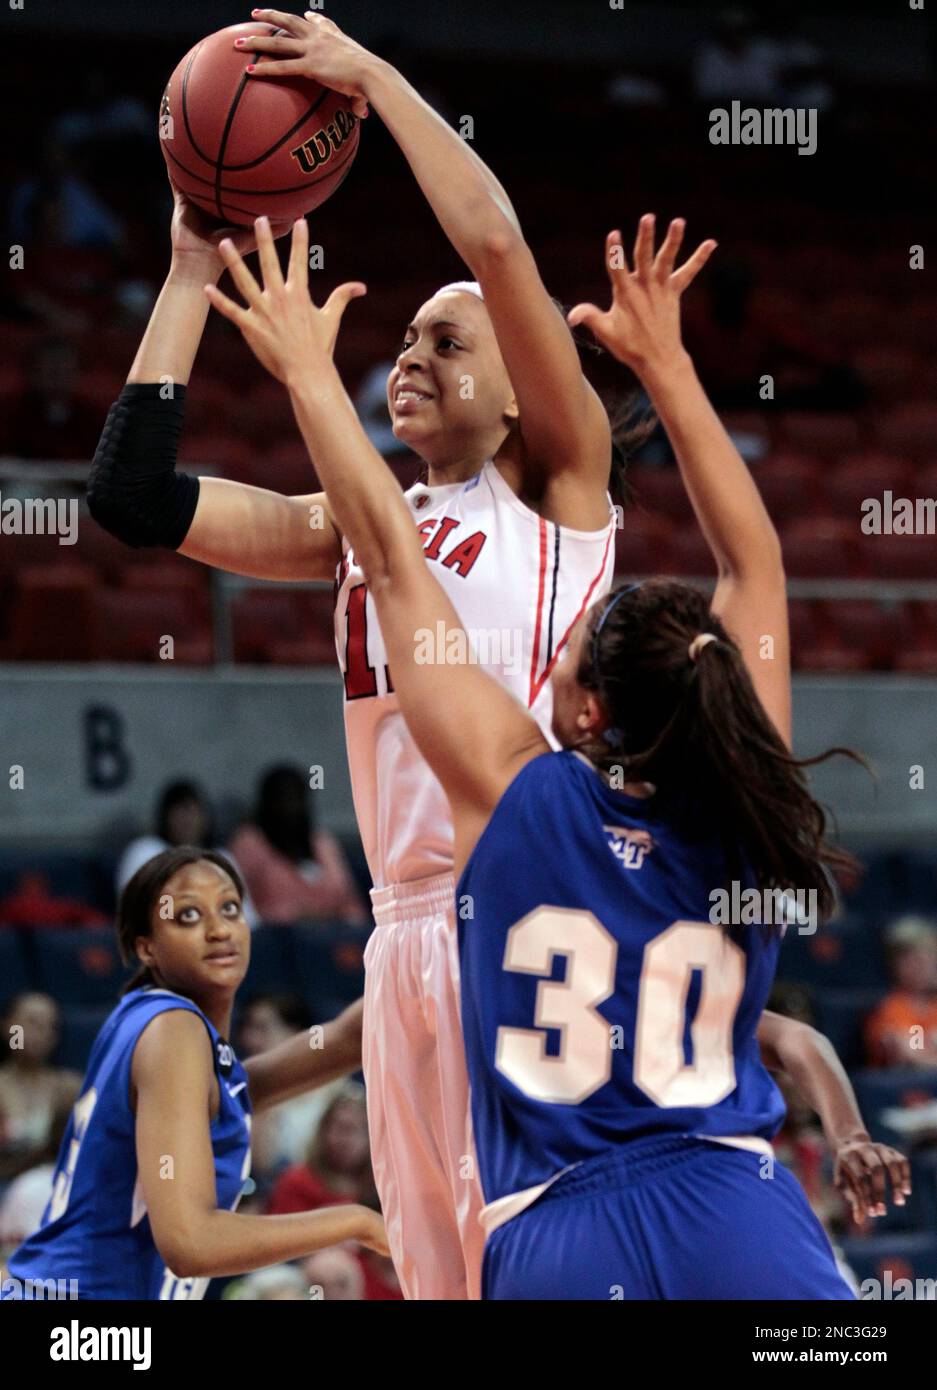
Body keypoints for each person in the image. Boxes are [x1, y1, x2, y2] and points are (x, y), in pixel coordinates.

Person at [86, 13, 900, 1297]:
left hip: (523, 899)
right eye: (401, 341)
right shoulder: (358, 524)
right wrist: (193, 270)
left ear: (524, 393)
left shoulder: (559, 489)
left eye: (445, 342)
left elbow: (493, 240)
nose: (409, 355)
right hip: (400, 935)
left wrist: (368, 79)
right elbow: (132, 497)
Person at [3, 848, 384, 1300]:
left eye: (229, 908)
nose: (219, 928)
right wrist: (357, 1220)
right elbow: (190, 1242)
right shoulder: (174, 1033)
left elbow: (342, 1040)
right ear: (147, 947)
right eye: (187, 916)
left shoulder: (163, 1029)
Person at [227, 766, 364, 924]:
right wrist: (295, 917)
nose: (290, 806)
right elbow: (239, 907)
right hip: (276, 940)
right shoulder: (249, 842)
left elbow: (352, 905)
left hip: (333, 939)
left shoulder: (322, 843)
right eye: (282, 798)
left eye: (296, 798)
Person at [0, 995, 81, 1182]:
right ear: (8, 1027)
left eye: (49, 1026)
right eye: (31, 1022)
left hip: (55, 1186)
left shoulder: (69, 1087)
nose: (40, 1032)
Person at [266, 1084, 376, 1215]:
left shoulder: (379, 1189)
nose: (348, 1140)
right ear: (324, 1130)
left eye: (360, 1130)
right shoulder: (296, 1183)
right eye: (342, 1128)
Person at [865, 916, 937, 1069]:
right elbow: (908, 1056)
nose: (928, 966)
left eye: (932, 958)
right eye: (918, 960)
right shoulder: (890, 1009)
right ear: (898, 965)